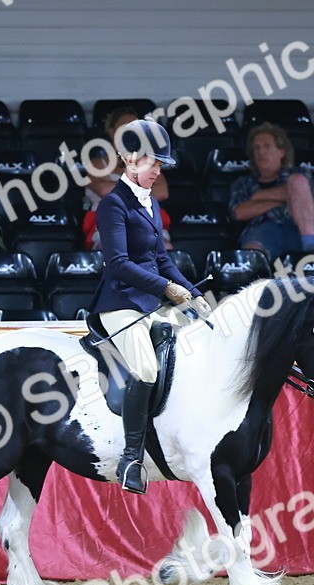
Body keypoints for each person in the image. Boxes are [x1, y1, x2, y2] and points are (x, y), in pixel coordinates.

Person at [89, 119, 210, 495]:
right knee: (145, 368)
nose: (158, 170)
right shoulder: (111, 205)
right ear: (128, 159)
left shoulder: (152, 204)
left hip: (154, 301)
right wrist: (167, 288)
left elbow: (162, 258)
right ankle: (131, 458)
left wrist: (193, 293)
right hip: (121, 303)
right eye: (151, 162)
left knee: (198, 342)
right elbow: (119, 263)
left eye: (160, 164)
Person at [82, 107, 172, 250]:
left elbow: (162, 192)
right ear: (112, 132)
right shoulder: (97, 164)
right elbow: (104, 190)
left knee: (165, 249)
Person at [228, 122, 314, 261]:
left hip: (296, 227)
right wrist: (286, 198)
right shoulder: (243, 183)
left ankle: (309, 250)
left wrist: (258, 197)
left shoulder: (298, 174)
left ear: (282, 151)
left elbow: (305, 194)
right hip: (261, 229)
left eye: (266, 146)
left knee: (297, 181)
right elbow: (239, 212)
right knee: (250, 256)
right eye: (256, 148)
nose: (261, 152)